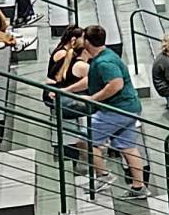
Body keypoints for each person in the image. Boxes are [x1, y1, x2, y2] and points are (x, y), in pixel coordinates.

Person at [61, 26, 149, 198]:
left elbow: (116, 85)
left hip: (117, 110)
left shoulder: (104, 62)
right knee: (128, 147)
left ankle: (103, 176)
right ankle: (139, 188)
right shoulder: (104, 56)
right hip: (129, 108)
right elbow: (92, 81)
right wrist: (68, 90)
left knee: (85, 141)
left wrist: (93, 99)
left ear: (87, 41)